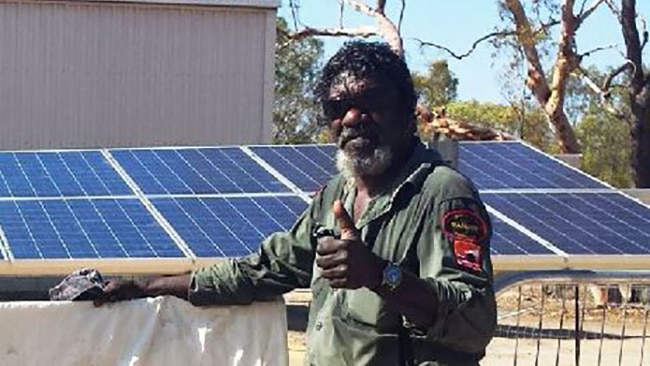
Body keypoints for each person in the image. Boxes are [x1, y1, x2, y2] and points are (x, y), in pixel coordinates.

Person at [98, 40, 497, 366]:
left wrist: (381, 275)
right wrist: (144, 287)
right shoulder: (337, 194)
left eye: (370, 101)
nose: (353, 117)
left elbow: (474, 321)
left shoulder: (442, 194)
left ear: (408, 113)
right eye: (338, 108)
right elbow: (263, 270)